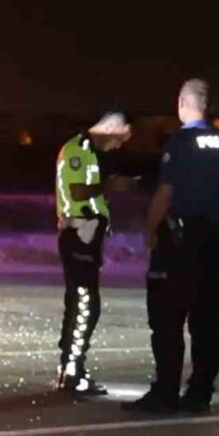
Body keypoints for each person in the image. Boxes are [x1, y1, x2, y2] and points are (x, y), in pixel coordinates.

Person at [124, 79, 219, 414]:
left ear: (182, 102)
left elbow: (165, 193)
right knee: (206, 321)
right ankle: (199, 394)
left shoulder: (178, 142)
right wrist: (211, 200)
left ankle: (165, 393)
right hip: (214, 241)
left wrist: (149, 229)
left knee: (167, 318)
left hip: (180, 243)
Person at [55, 112, 135, 394]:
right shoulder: (78, 150)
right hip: (79, 237)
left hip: (85, 237)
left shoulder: (87, 151)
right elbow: (77, 192)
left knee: (81, 304)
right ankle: (72, 373)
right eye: (121, 137)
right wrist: (110, 185)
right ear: (110, 129)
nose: (120, 144)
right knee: (85, 305)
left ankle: (70, 368)